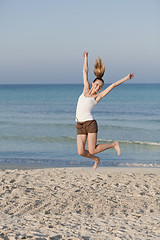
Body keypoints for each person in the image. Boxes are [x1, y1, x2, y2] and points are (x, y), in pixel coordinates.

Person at [76, 51, 134, 170]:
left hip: (90, 123)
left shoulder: (97, 96)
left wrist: (126, 78)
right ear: (93, 83)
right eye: (96, 85)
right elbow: (84, 72)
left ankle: (114, 144)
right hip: (79, 124)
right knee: (81, 152)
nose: (97, 87)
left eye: (100, 87)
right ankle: (96, 159)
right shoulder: (85, 89)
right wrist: (86, 58)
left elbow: (112, 85)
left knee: (92, 149)